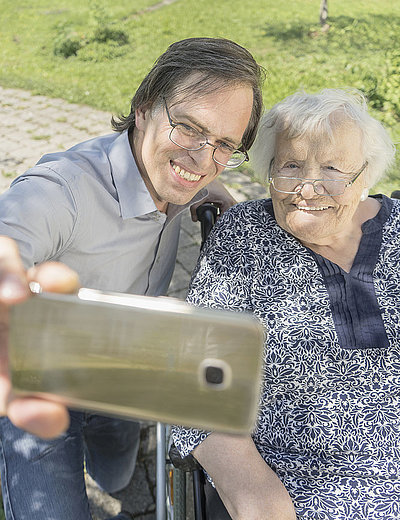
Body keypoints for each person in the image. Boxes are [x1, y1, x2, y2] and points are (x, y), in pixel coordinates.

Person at [0, 37, 264, 520]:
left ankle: (114, 479)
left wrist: (220, 196)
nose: (203, 160)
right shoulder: (62, 191)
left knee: (116, 472)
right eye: (188, 127)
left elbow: (200, 164)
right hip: (38, 380)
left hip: (123, 372)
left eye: (224, 144)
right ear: (143, 107)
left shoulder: (183, 171)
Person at [172, 88, 400, 520]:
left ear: (365, 175)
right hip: (292, 489)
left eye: (332, 168)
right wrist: (259, 499)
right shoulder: (244, 237)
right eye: (290, 166)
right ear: (268, 170)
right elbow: (194, 383)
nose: (306, 189)